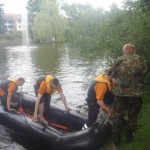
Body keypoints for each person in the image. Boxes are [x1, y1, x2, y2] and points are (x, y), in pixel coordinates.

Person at [110, 43, 147, 146]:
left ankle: (116, 141)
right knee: (132, 116)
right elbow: (144, 73)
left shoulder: (119, 60)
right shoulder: (141, 60)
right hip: (136, 94)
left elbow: (112, 76)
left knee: (117, 116)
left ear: (124, 51)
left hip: (120, 94)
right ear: (134, 50)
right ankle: (129, 139)